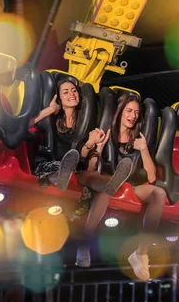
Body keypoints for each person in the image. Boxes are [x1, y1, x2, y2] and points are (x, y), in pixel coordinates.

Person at [72, 92, 168, 282]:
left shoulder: (138, 139)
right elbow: (89, 167)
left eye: (136, 112)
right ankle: (84, 242)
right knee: (108, 184)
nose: (133, 116)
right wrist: (99, 147)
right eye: (129, 111)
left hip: (125, 185)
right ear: (119, 112)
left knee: (159, 193)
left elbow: (151, 177)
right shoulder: (105, 132)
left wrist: (144, 149)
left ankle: (141, 253)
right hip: (100, 179)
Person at [30, 79, 117, 192]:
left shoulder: (84, 123)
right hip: (49, 164)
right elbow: (27, 124)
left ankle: (111, 184)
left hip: (74, 168)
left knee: (88, 175)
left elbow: (81, 157)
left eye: (74, 91)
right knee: (60, 168)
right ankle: (60, 177)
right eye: (66, 92)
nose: (72, 94)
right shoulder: (53, 118)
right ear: (59, 98)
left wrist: (90, 143)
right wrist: (50, 109)